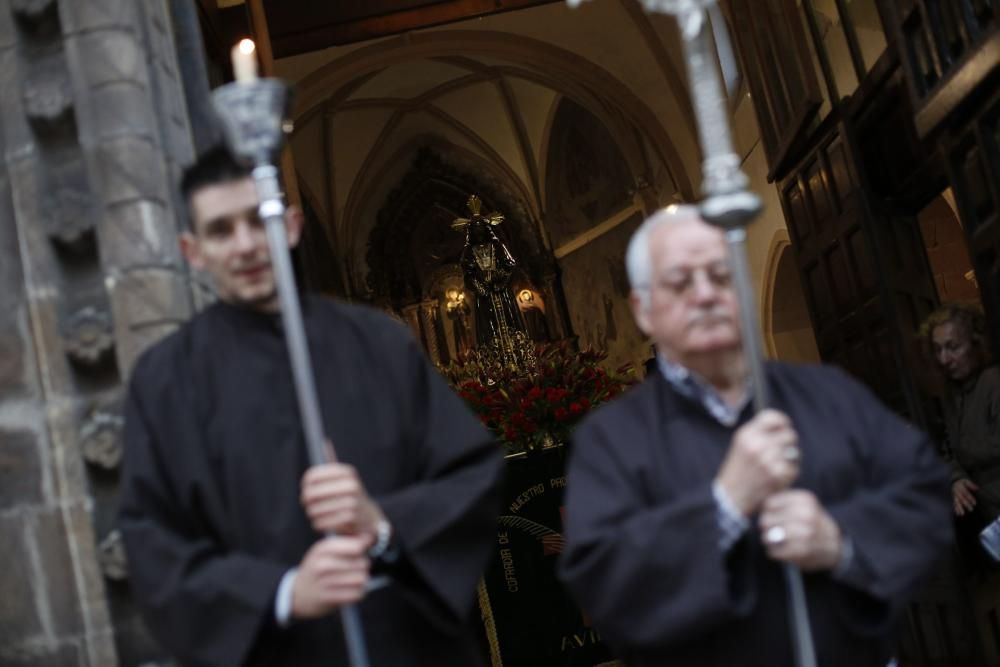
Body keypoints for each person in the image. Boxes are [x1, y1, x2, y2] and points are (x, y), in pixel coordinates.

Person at [118, 146, 504, 666]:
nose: (246, 245)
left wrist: (383, 524)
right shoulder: (164, 380)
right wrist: (282, 592)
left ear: (293, 225)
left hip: (406, 644)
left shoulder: (380, 344)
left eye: (261, 220)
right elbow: (153, 544)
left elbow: (470, 473)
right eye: (221, 230)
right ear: (193, 250)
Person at [558, 205, 952, 667]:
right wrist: (724, 505)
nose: (705, 294)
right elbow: (606, 587)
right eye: (681, 282)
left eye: (721, 275)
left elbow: (925, 491)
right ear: (643, 310)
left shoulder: (830, 394)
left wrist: (839, 542)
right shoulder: (611, 441)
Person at [919, 304, 1000, 561]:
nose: (943, 359)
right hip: (987, 516)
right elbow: (946, 450)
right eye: (938, 350)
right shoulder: (950, 397)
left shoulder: (994, 383)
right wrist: (955, 478)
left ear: (975, 345)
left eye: (953, 347)